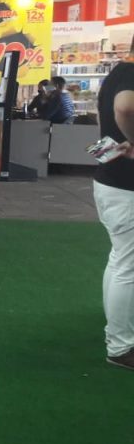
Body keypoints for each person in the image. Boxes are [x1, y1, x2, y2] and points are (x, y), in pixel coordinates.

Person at [92, 57, 134, 371]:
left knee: (121, 259)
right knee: (128, 267)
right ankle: (121, 347)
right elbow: (125, 107)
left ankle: (117, 332)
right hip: (126, 188)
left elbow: (103, 116)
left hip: (110, 181)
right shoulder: (130, 75)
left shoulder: (116, 73)